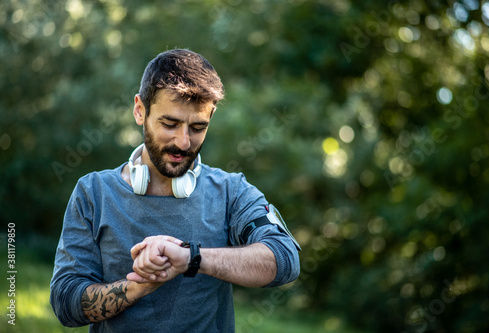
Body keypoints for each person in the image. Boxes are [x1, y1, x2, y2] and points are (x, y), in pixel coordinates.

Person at [50, 49, 301, 332]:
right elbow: (65, 302)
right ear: (139, 110)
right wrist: (139, 286)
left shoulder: (231, 192)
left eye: (197, 127)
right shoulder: (93, 193)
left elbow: (285, 258)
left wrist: (191, 258)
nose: (183, 142)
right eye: (170, 124)